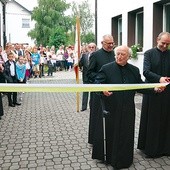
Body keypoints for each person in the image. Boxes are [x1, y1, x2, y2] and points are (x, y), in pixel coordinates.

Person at [92, 45, 165, 169]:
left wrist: (154, 89)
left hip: (128, 108)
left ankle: (125, 158)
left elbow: (140, 85)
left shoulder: (134, 70)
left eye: (122, 54)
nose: (119, 57)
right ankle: (111, 158)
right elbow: (97, 83)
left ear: (129, 56)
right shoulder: (106, 68)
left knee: (126, 133)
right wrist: (102, 89)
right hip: (112, 108)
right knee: (113, 133)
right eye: (117, 54)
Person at [137, 32, 170, 158]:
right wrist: (160, 78)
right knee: (153, 119)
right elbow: (146, 71)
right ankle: (151, 149)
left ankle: (166, 148)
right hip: (153, 91)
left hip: (167, 93)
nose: (165, 46)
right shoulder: (149, 53)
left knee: (167, 119)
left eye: (168, 44)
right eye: (163, 43)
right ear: (157, 40)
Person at [87, 34, 115, 144]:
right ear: (102, 43)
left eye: (113, 43)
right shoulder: (95, 55)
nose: (111, 45)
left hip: (112, 90)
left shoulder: (115, 54)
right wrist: (101, 78)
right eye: (109, 43)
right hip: (99, 90)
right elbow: (89, 73)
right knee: (97, 115)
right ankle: (95, 139)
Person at [79, 43, 97, 111]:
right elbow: (80, 64)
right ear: (87, 48)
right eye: (90, 47)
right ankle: (84, 107)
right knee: (85, 92)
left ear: (95, 48)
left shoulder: (97, 56)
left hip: (94, 78)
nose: (91, 48)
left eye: (93, 47)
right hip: (86, 77)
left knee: (93, 93)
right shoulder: (84, 56)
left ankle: (92, 106)